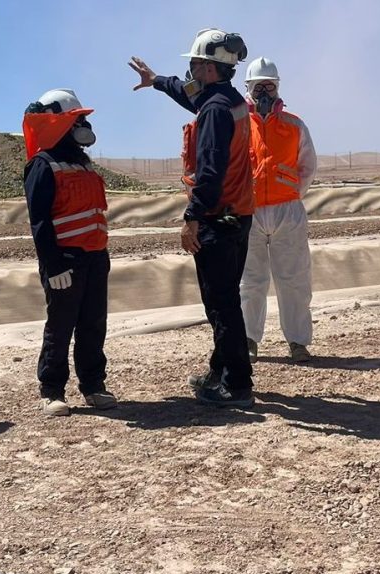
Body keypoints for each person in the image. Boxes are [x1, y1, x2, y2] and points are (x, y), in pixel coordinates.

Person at [129, 29, 255, 409]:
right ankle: (220, 372)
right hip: (239, 215)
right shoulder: (227, 101)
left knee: (221, 305)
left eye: (195, 63)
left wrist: (192, 217)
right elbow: (187, 93)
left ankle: (237, 385)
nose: (190, 69)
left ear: (211, 69)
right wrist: (156, 82)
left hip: (218, 217)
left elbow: (210, 172)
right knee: (227, 298)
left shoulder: (215, 111)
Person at [23, 89, 115, 417]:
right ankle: (51, 390)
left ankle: (93, 385)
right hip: (66, 261)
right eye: (77, 119)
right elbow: (40, 221)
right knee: (60, 325)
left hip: (94, 258)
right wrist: (53, 264)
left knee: (93, 324)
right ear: (58, 122)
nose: (84, 125)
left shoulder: (83, 164)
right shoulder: (42, 165)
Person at [239, 57, 317, 364]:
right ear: (248, 88)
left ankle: (298, 342)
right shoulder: (237, 124)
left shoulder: (294, 125)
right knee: (250, 280)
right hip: (250, 211)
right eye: (258, 86)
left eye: (269, 85)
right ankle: (247, 340)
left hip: (288, 210)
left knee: (295, 278)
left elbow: (308, 167)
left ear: (278, 87)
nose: (264, 92)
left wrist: (290, 196)